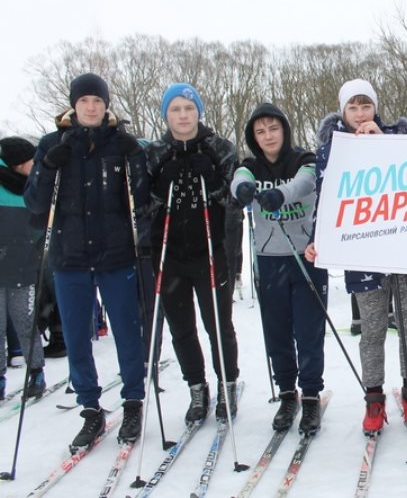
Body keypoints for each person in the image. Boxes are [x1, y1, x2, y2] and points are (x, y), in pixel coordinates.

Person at [24, 73, 147, 451]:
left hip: (116, 255)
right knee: (78, 337)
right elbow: (34, 206)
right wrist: (46, 165)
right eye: (84, 101)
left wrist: (137, 160)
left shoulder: (122, 145)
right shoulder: (52, 144)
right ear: (73, 106)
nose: (91, 107)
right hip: (70, 257)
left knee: (128, 333)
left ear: (106, 104)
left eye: (98, 101)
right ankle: (91, 408)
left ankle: (132, 403)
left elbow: (143, 200)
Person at [304, 79, 407, 435]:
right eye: (353, 108)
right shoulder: (331, 149)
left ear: (375, 107)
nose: (360, 114)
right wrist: (317, 238)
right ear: (343, 111)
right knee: (371, 331)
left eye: (365, 106)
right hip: (364, 253)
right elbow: (326, 199)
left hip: (403, 251)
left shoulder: (397, 138)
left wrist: (382, 144)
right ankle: (373, 400)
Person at [146, 82, 240, 425]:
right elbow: (141, 207)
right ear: (166, 114)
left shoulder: (220, 148)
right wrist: (158, 184)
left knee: (219, 326)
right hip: (169, 254)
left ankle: (227, 384)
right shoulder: (154, 152)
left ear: (198, 111)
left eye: (189, 108)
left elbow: (233, 202)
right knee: (182, 328)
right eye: (176, 109)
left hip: (211, 252)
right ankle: (197, 387)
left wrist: (214, 179)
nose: (183, 115)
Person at [230, 102, 327, 435]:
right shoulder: (250, 166)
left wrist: (279, 195)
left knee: (309, 331)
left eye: (273, 128)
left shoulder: (304, 160)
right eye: (260, 131)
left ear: (284, 130)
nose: (268, 136)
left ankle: (311, 394)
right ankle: (288, 393)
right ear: (253, 137)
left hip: (305, 257)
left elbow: (304, 184)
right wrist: (242, 189)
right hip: (269, 259)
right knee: (277, 333)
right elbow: (239, 181)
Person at [0, 137, 46, 400]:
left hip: (23, 266)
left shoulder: (33, 186)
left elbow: (39, 225)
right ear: (17, 164)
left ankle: (36, 371)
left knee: (25, 321)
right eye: (31, 161)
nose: (35, 166)